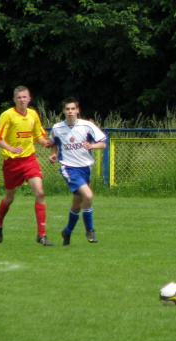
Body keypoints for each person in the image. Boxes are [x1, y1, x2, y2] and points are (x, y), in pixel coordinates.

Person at [0, 85, 53, 246]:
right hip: (12, 163)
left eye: (24, 97)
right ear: (14, 100)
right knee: (9, 198)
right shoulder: (8, 115)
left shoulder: (33, 114)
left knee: (40, 192)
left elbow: (38, 136)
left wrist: (47, 143)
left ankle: (42, 235)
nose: (22, 100)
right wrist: (11, 148)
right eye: (18, 97)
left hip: (29, 160)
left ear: (29, 98)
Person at [48, 97, 107, 245]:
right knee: (88, 195)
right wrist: (54, 154)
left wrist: (92, 146)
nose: (70, 112)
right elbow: (53, 143)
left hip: (85, 169)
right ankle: (90, 230)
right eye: (67, 109)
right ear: (63, 111)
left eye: (72, 109)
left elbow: (103, 144)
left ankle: (67, 232)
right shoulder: (57, 128)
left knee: (77, 205)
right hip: (69, 168)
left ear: (77, 110)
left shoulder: (87, 126)